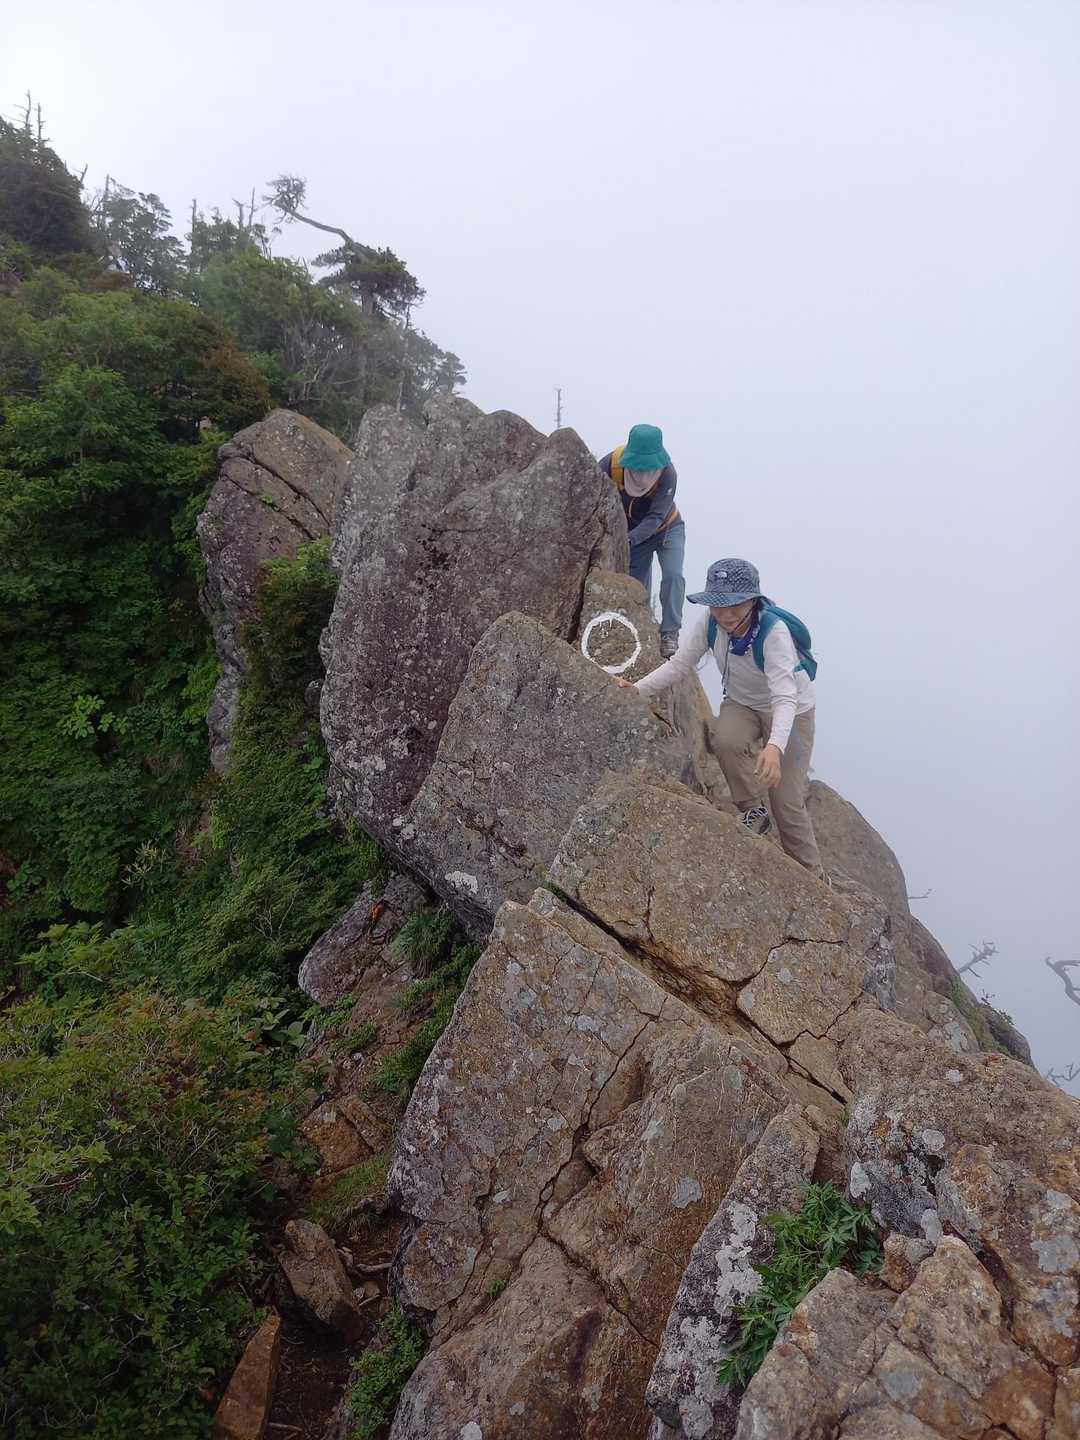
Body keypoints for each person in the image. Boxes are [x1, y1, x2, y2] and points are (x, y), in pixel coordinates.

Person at [620, 557, 824, 877]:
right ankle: (753, 812)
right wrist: (636, 689)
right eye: (718, 605)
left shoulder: (774, 634)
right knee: (725, 740)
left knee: (786, 800)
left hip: (791, 709)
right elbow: (680, 665)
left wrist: (774, 747)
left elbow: (785, 697)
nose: (726, 614)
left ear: (753, 601)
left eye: (735, 606)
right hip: (742, 703)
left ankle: (813, 875)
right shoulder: (711, 623)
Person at [599, 424, 685, 657]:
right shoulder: (610, 465)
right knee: (636, 585)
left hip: (667, 528)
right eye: (638, 467)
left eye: (649, 468)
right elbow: (593, 497)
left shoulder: (667, 474)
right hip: (634, 534)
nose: (643, 474)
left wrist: (626, 540)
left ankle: (670, 633)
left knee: (673, 575)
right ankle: (640, 624)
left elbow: (656, 516)